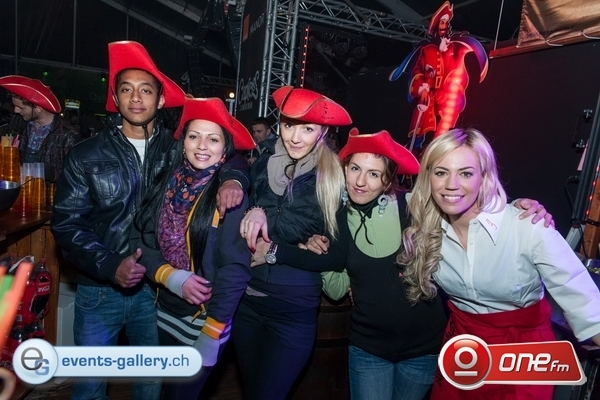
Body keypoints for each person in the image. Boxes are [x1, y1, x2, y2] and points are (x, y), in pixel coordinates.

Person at [50, 40, 249, 400]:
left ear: (160, 100)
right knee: (90, 386)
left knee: (150, 385)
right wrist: (111, 264)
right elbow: (66, 225)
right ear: (115, 98)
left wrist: (235, 178)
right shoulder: (85, 154)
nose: (136, 98)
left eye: (146, 90)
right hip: (99, 289)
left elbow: (225, 151)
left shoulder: (176, 148)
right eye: (127, 89)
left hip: (154, 291)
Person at [299, 128, 554, 400]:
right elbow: (337, 289)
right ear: (344, 170)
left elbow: (466, 202)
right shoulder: (337, 219)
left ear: (388, 180)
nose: (360, 181)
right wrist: (318, 253)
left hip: (423, 352)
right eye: (355, 169)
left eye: (373, 174)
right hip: (368, 350)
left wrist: (514, 208)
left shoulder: (415, 207)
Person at [399, 127, 600, 399]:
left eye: (466, 173)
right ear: (429, 177)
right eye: (441, 172)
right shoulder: (427, 229)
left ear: (484, 177)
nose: (451, 184)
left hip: (523, 356)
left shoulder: (527, 227)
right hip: (464, 350)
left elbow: (587, 306)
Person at [232, 85, 351, 400]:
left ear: (322, 132)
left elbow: (336, 257)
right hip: (247, 303)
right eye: (288, 126)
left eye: (307, 129)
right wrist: (254, 210)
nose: (295, 138)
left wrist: (275, 251)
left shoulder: (332, 178)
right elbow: (239, 219)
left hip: (293, 311)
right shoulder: (262, 165)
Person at [134, 97, 255, 399]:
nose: (202, 146)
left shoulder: (229, 196)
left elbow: (234, 270)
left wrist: (212, 332)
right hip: (161, 310)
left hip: (203, 320)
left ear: (225, 148)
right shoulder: (166, 182)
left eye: (213, 139)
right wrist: (171, 276)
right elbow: (141, 240)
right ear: (183, 142)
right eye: (194, 136)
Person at [388, 1, 488, 155]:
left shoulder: (453, 47)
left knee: (446, 122)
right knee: (420, 132)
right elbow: (417, 70)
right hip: (428, 95)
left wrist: (446, 52)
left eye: (446, 22)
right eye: (442, 22)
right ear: (436, 26)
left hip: (446, 94)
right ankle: (414, 154)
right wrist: (421, 86)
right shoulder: (426, 49)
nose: (444, 25)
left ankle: (437, 147)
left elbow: (454, 68)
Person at [0, 75, 82, 183]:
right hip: (20, 189)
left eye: (20, 107)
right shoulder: (18, 123)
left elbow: (75, 175)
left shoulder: (68, 135)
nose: (16, 110)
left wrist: (38, 172)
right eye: (14, 105)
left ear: (38, 108)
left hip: (48, 192)